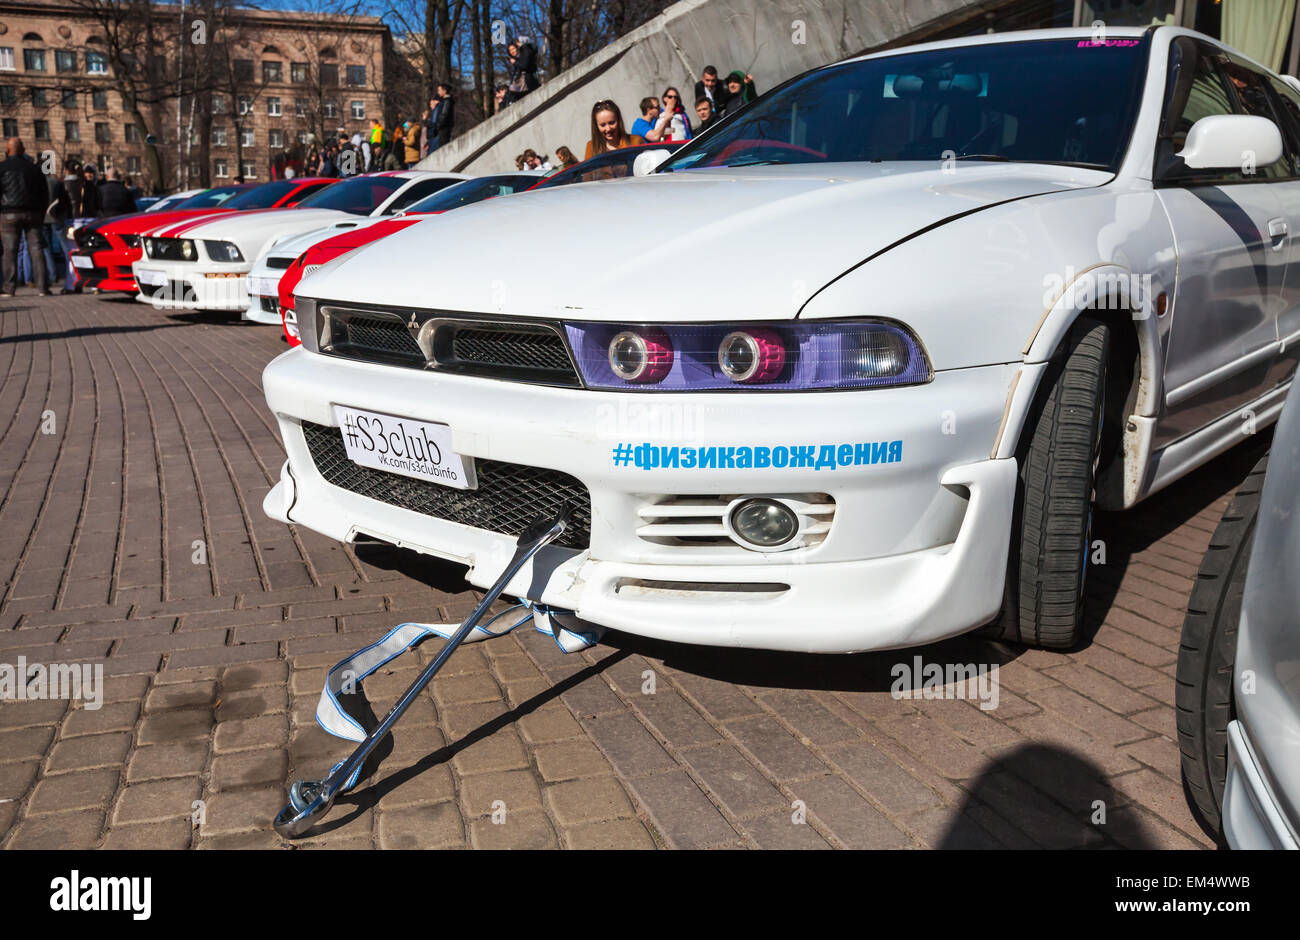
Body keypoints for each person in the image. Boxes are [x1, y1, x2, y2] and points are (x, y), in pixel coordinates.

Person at [1, 138, 51, 296]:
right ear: (23, 150)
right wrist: (41, 213)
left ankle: (9, 288)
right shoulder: (35, 169)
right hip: (33, 213)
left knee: (10, 251)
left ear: (7, 150)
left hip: (8, 213)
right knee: (36, 249)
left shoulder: (2, 168)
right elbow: (44, 194)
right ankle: (43, 287)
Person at [44, 166, 72, 292]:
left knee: (46, 248)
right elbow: (65, 200)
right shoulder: (56, 183)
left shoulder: (38, 182)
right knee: (65, 245)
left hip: (43, 218)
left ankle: (52, 275)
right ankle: (70, 272)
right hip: (57, 217)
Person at [504, 38, 539, 105]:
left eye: (513, 49)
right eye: (510, 50)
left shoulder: (523, 55)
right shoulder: (516, 60)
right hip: (521, 87)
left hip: (528, 84)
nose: (512, 51)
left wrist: (515, 63)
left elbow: (524, 65)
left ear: (517, 48)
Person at [433, 82, 455, 150]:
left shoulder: (447, 101)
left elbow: (444, 114)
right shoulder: (444, 101)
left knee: (443, 146)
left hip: (444, 127)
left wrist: (438, 124)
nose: (438, 92)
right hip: (443, 127)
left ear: (444, 91)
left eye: (439, 90)